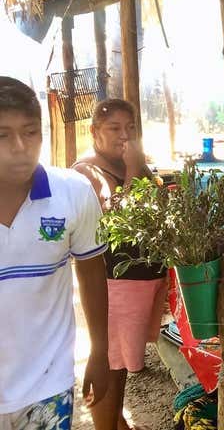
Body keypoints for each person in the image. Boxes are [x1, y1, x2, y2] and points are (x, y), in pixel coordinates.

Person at [0, 77, 109, 429]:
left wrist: (100, 352)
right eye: (2, 135)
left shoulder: (73, 193)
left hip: (48, 385)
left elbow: (92, 272)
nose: (19, 146)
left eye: (30, 132)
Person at [72, 99, 165, 430]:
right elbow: (112, 226)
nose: (124, 135)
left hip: (136, 284)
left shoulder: (132, 163)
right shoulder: (87, 172)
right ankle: (105, 426)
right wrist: (131, 170)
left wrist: (140, 169)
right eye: (114, 128)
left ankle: (117, 422)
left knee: (121, 361)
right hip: (113, 285)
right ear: (94, 132)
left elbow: (158, 202)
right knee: (109, 361)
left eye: (130, 128)